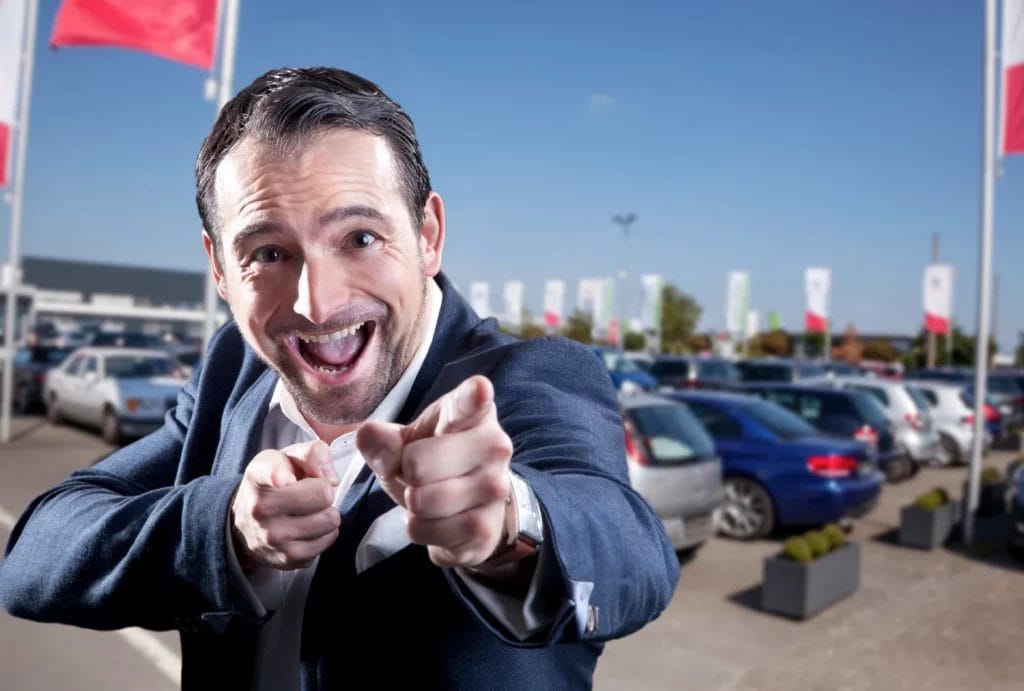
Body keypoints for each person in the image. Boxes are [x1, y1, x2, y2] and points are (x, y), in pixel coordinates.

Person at [0, 67, 679, 690]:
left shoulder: (527, 378)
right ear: (219, 269)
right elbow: (36, 555)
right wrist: (224, 530)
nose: (315, 303)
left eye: (358, 237)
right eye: (269, 252)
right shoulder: (232, 368)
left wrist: (507, 525)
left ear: (428, 233)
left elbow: (631, 552)